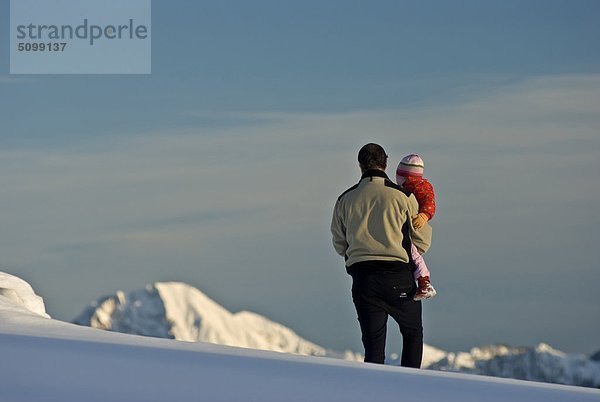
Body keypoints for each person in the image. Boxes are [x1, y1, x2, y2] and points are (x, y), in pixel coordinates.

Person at [331, 143, 432, 367]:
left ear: (359, 165)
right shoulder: (403, 196)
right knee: (412, 333)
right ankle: (410, 387)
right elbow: (422, 241)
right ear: (385, 163)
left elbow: (340, 243)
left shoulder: (344, 200)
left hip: (363, 280)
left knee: (374, 350)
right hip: (399, 278)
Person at [396, 154, 437, 301]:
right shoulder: (407, 189)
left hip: (415, 230)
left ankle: (424, 282)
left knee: (414, 255)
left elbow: (430, 203)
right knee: (413, 256)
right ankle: (421, 283)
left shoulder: (421, 187)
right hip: (412, 230)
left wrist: (424, 215)